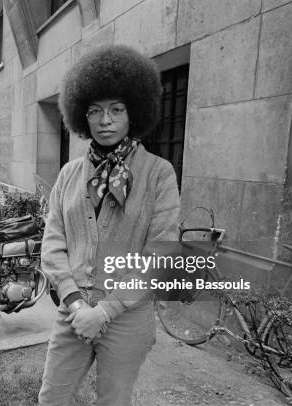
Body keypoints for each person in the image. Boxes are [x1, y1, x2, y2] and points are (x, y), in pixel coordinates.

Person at [38, 45, 181, 405]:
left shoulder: (158, 174)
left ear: (134, 112)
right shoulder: (70, 174)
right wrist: (74, 303)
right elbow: (53, 242)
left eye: (117, 109)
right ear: (81, 115)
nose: (105, 120)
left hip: (126, 318)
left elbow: (159, 256)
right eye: (95, 111)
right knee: (51, 398)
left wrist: (105, 310)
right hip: (73, 312)